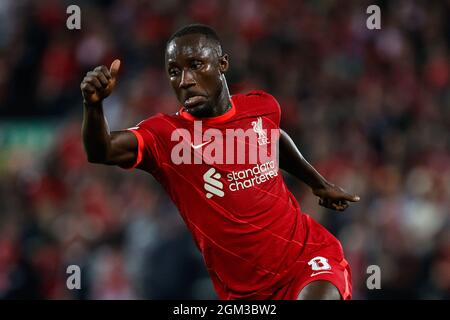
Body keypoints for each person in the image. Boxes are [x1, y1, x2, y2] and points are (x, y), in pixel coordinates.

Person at [80, 24, 360, 300]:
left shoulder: (261, 106)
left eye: (196, 65)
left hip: (307, 258)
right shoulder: (165, 136)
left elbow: (274, 138)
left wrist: (318, 184)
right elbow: (101, 151)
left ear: (222, 64)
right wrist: (93, 107)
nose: (185, 80)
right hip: (243, 292)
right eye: (174, 72)